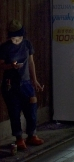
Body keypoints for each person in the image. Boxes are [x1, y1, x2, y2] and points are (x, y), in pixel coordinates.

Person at [0, 20, 44, 150]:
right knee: (14, 111)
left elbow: (31, 63)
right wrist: (11, 66)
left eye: (18, 37)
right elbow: (1, 65)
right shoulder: (4, 47)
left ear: (22, 35)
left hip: (26, 82)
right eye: (14, 38)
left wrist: (34, 80)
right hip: (10, 84)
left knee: (31, 110)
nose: (16, 40)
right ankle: (19, 138)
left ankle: (32, 134)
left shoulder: (27, 44)